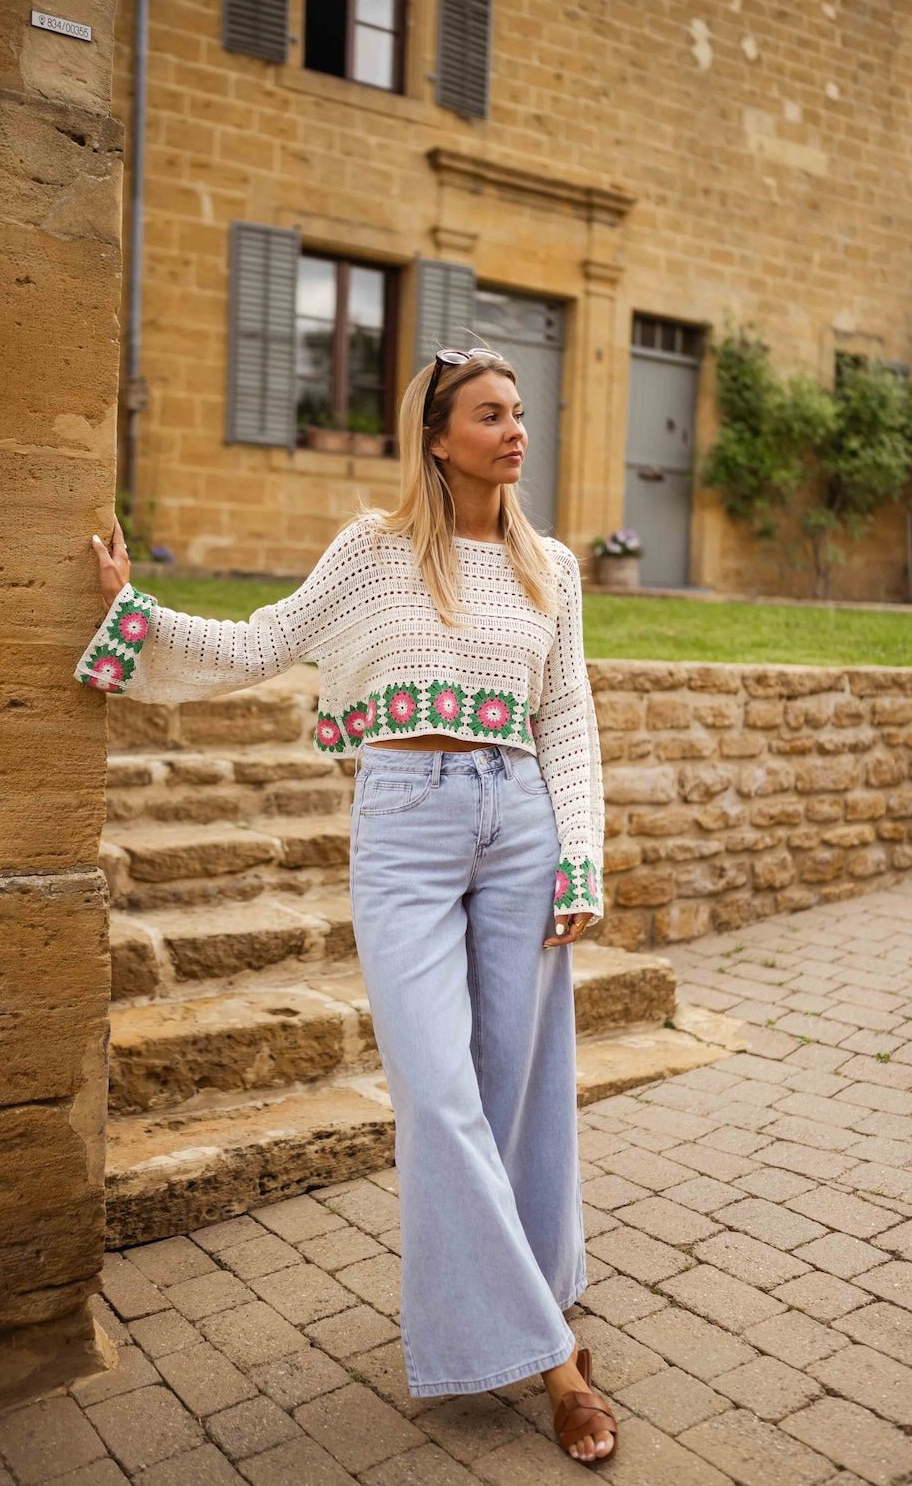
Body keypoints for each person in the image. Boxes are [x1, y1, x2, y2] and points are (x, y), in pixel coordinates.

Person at [76, 343, 616, 1464]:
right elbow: (262, 641)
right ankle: (556, 1359)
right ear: (437, 438)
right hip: (407, 827)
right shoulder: (373, 553)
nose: (516, 431)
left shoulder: (552, 568)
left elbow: (566, 715)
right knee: (439, 1096)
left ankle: (533, 1307)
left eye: (519, 413)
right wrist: (133, 612)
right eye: (490, 416)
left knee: (520, 1089)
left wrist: (581, 856)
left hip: (521, 824)